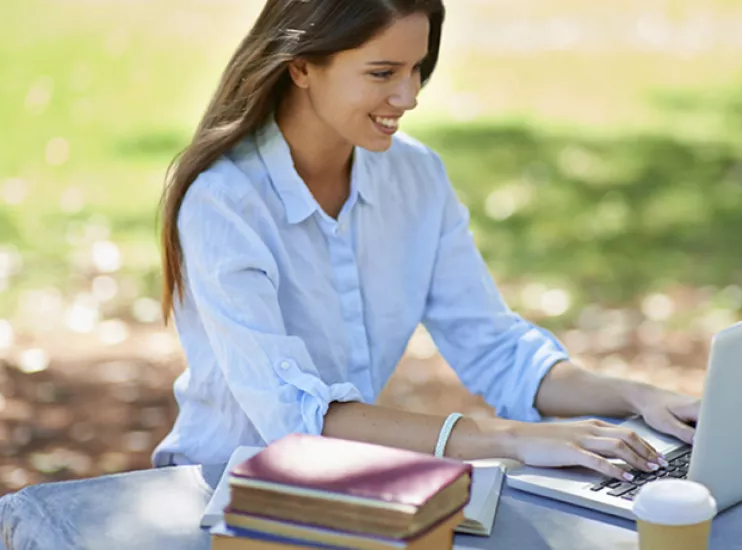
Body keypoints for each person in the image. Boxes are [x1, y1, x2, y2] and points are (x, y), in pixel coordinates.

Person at [152, 0, 700, 482]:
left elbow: (496, 347)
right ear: (301, 67)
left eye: (417, 68)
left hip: (342, 484)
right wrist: (508, 439)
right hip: (223, 488)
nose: (409, 95)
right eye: (383, 72)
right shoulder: (224, 202)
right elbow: (293, 413)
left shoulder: (415, 176)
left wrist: (637, 397)